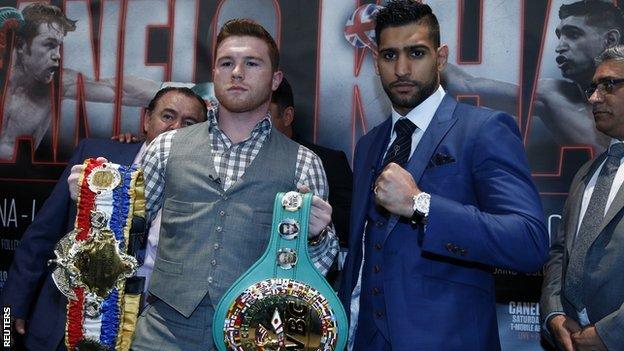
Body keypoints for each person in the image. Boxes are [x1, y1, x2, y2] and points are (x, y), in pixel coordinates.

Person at [67, 19, 339, 350]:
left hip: (253, 337)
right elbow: (123, 232)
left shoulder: (304, 162)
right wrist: (96, 201)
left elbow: (318, 270)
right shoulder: (166, 146)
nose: (237, 72)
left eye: (252, 63)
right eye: (227, 63)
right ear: (215, 74)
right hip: (162, 333)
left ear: (275, 80)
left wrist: (318, 236)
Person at [338, 1, 549, 350]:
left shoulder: (483, 130)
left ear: (440, 57)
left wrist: (421, 204)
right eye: (390, 56)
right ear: (376, 62)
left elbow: (528, 242)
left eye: (416, 53)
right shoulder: (369, 144)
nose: (402, 69)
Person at [0, 86, 207, 351]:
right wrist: (10, 308)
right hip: (65, 325)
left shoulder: (204, 188)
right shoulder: (96, 158)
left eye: (189, 123)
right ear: (146, 120)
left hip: (147, 334)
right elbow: (42, 235)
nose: (175, 128)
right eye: (168, 116)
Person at [443, 0, 624, 154]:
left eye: (574, 35)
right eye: (560, 36)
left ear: (610, 40)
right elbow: (465, 86)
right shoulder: (554, 96)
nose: (560, 47)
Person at [540, 45, 624, 351]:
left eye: (609, 85)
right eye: (593, 86)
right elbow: (560, 253)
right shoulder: (586, 173)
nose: (593, 97)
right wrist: (554, 313)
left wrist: (610, 335)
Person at [269, 77, 353, 245]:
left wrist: (315, 226)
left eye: (264, 116)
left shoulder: (330, 162)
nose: (255, 125)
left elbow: (348, 229)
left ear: (287, 116)